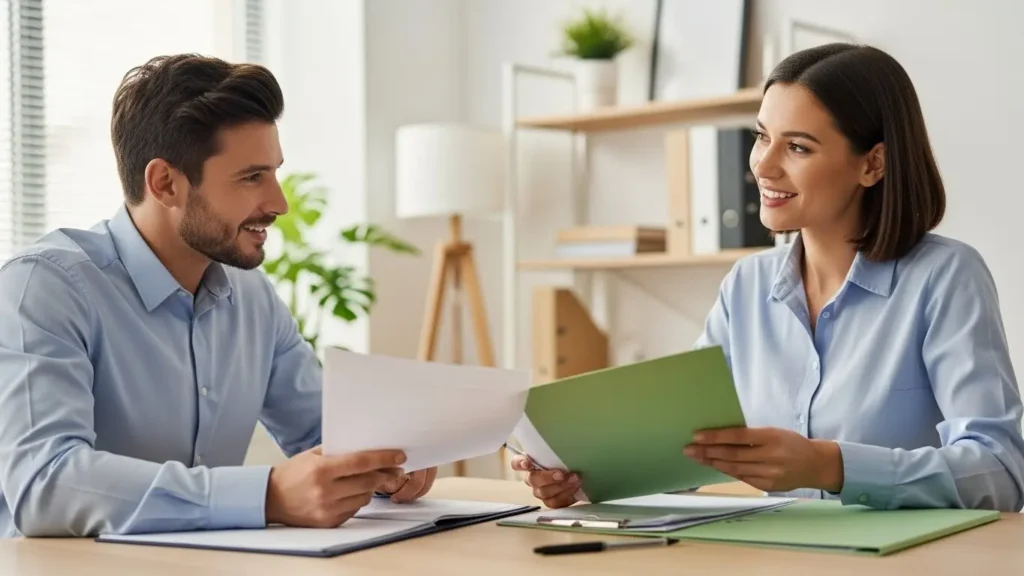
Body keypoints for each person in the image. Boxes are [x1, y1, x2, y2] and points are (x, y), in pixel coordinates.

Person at [513, 43, 1024, 512]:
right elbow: (684, 446)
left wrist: (832, 465)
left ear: (873, 163)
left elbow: (1001, 472)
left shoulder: (945, 277)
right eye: (762, 137)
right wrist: (583, 477)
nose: (763, 165)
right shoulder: (746, 285)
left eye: (798, 147)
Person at [0, 54, 436, 538]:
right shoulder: (46, 287)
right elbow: (44, 483)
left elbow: (324, 436)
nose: (279, 203)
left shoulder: (251, 296)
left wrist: (386, 465)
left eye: (274, 172)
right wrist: (267, 495)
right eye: (252, 177)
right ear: (165, 183)